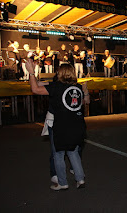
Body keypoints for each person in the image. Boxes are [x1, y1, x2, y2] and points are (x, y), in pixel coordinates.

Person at [26, 60, 87, 191]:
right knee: (73, 151)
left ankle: (62, 182)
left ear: (60, 73)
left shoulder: (56, 87)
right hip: (77, 126)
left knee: (58, 154)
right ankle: (80, 178)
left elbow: (35, 89)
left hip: (61, 126)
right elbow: (83, 102)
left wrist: (31, 72)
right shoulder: (78, 87)